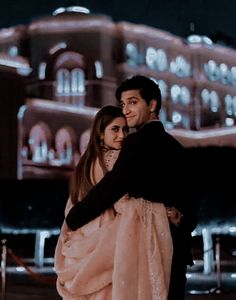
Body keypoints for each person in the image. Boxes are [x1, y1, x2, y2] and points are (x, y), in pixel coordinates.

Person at [66, 75, 199, 300]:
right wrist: (181, 220)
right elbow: (192, 199)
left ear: (152, 105)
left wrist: (75, 217)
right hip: (178, 249)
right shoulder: (177, 148)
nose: (126, 110)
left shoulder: (136, 143)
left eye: (133, 102)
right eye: (123, 104)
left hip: (150, 249)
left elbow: (112, 187)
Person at [55, 104, 174, 300]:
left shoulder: (86, 162)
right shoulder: (115, 158)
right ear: (101, 134)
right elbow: (122, 203)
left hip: (83, 238)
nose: (122, 136)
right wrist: (161, 211)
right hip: (106, 241)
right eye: (115, 129)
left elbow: (75, 205)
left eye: (125, 129)